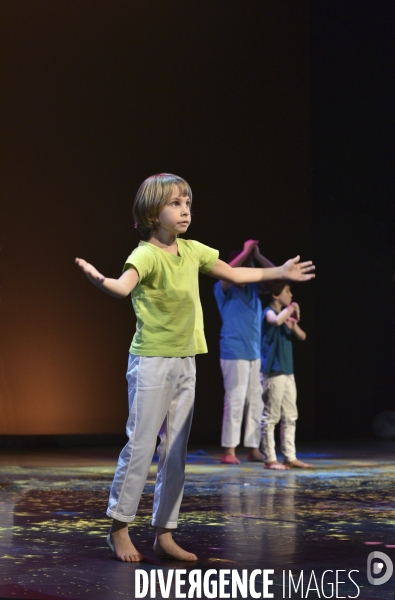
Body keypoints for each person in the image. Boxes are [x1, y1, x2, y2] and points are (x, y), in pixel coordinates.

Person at [75, 173, 315, 563]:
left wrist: (279, 273)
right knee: (141, 446)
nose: (185, 210)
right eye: (175, 204)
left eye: (187, 203)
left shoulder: (192, 250)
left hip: (186, 360)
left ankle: (164, 533)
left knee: (175, 452)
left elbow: (235, 274)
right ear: (153, 212)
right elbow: (122, 286)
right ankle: (118, 528)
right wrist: (98, 278)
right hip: (152, 360)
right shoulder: (145, 255)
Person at [214, 240, 274, 464]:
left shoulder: (254, 290)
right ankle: (229, 450)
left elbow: (275, 275)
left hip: (254, 352)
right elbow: (227, 273)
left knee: (256, 401)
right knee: (235, 399)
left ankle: (252, 448)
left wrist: (256, 256)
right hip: (234, 350)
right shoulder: (224, 289)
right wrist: (246, 253)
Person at [260, 281, 312, 470]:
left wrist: (294, 322)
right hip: (273, 371)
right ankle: (270, 458)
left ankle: (289, 456)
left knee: (290, 415)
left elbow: (302, 335)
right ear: (275, 295)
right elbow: (275, 321)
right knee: (272, 415)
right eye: (287, 291)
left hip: (288, 371)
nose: (291, 295)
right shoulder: (268, 312)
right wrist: (290, 308)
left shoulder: (285, 316)